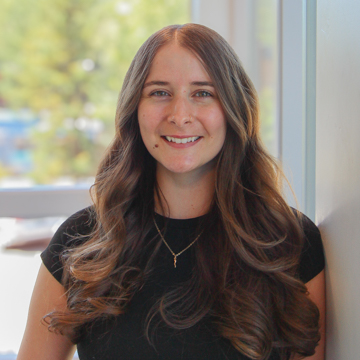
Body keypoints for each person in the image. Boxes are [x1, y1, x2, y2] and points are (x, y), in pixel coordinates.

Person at [17, 23, 325, 360]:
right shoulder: (82, 242)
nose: (180, 116)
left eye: (203, 93)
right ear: (135, 108)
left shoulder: (289, 242)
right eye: (160, 92)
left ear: (234, 109)